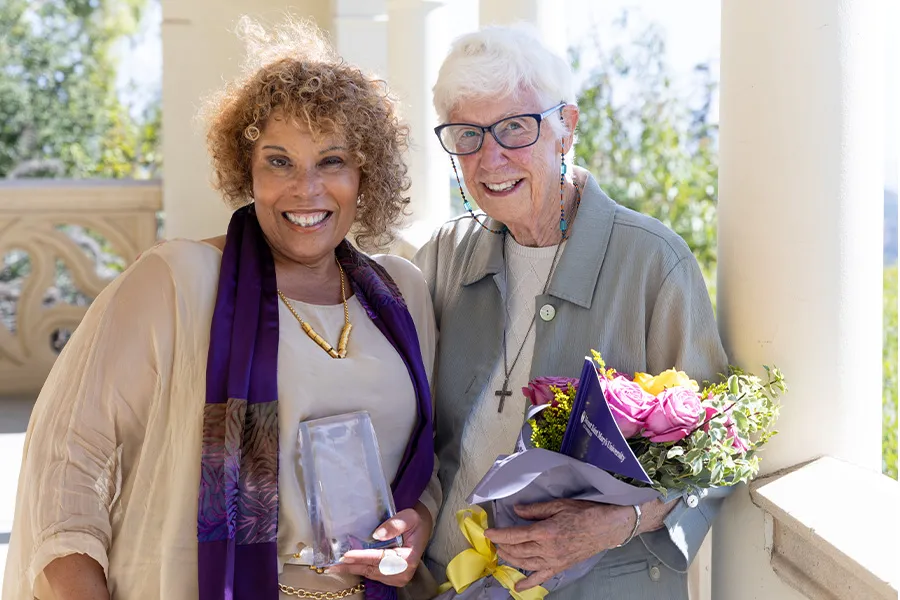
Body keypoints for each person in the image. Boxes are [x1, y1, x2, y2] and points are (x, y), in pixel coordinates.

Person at [3, 18, 440, 600]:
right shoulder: (178, 282)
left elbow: (430, 461)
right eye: (279, 161)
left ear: (366, 174)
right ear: (247, 170)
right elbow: (67, 458)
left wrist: (421, 525)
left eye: (332, 161)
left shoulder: (402, 294)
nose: (305, 189)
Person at [414, 25, 729, 599]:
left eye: (514, 127)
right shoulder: (442, 257)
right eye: (467, 134)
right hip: (449, 583)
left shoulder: (652, 262)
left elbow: (717, 456)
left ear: (566, 129)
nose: (491, 158)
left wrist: (615, 524)